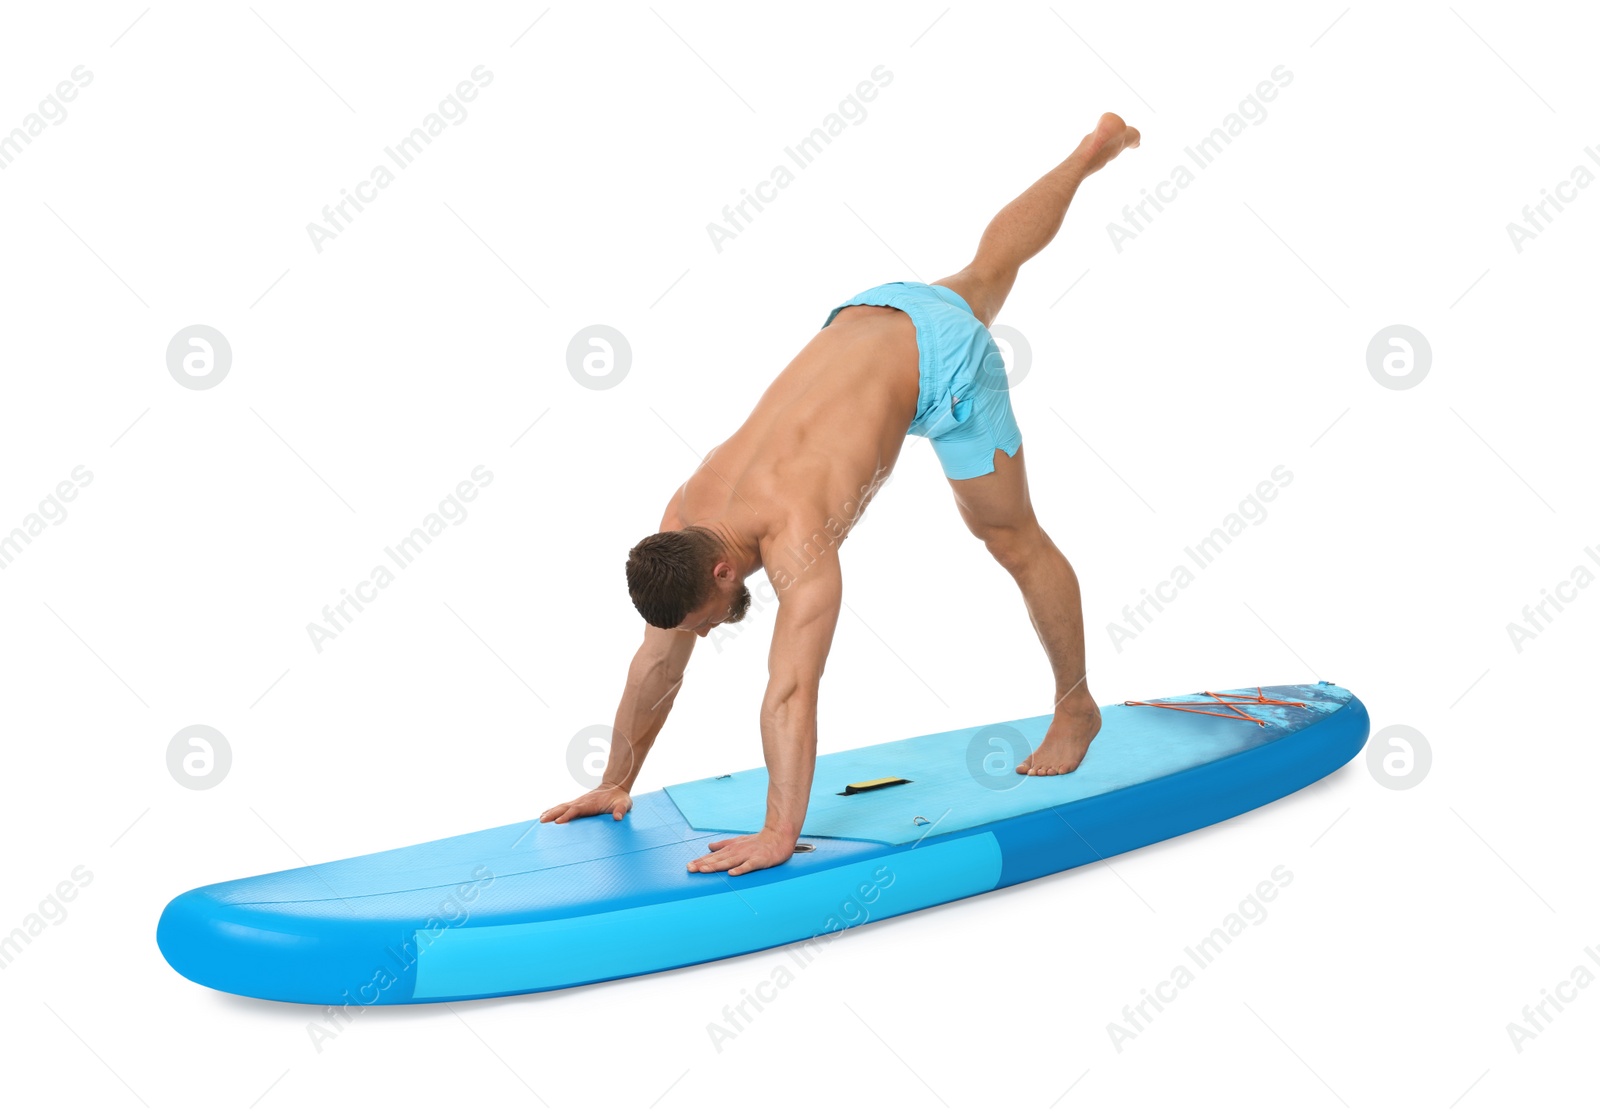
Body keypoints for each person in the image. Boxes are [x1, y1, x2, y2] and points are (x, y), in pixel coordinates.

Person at [540, 113, 1141, 875]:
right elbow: (656, 662)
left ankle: (1076, 706)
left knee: (1011, 537)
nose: (712, 629)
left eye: (708, 621)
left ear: (724, 573)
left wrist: (777, 834)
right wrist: (615, 779)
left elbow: (790, 689)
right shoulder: (683, 522)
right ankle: (1091, 150)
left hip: (944, 364)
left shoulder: (797, 537)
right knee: (987, 269)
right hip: (877, 312)